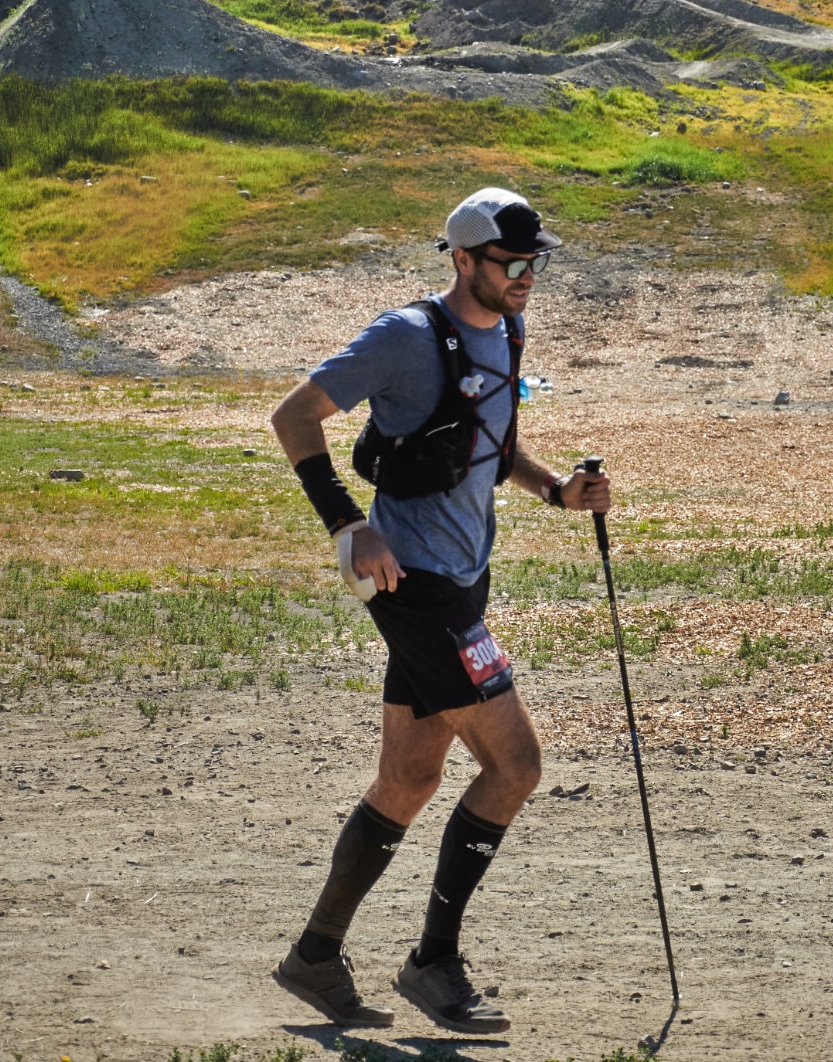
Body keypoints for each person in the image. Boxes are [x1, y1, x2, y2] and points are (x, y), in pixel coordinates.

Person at [268, 188, 610, 1034]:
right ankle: (433, 962)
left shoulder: (506, 332)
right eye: (510, 263)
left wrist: (558, 491)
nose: (526, 276)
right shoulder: (405, 338)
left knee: (411, 778)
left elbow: (489, 446)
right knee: (517, 766)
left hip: (465, 581)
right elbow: (294, 418)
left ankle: (315, 957)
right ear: (463, 260)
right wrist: (350, 526)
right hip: (412, 589)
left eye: (534, 263)